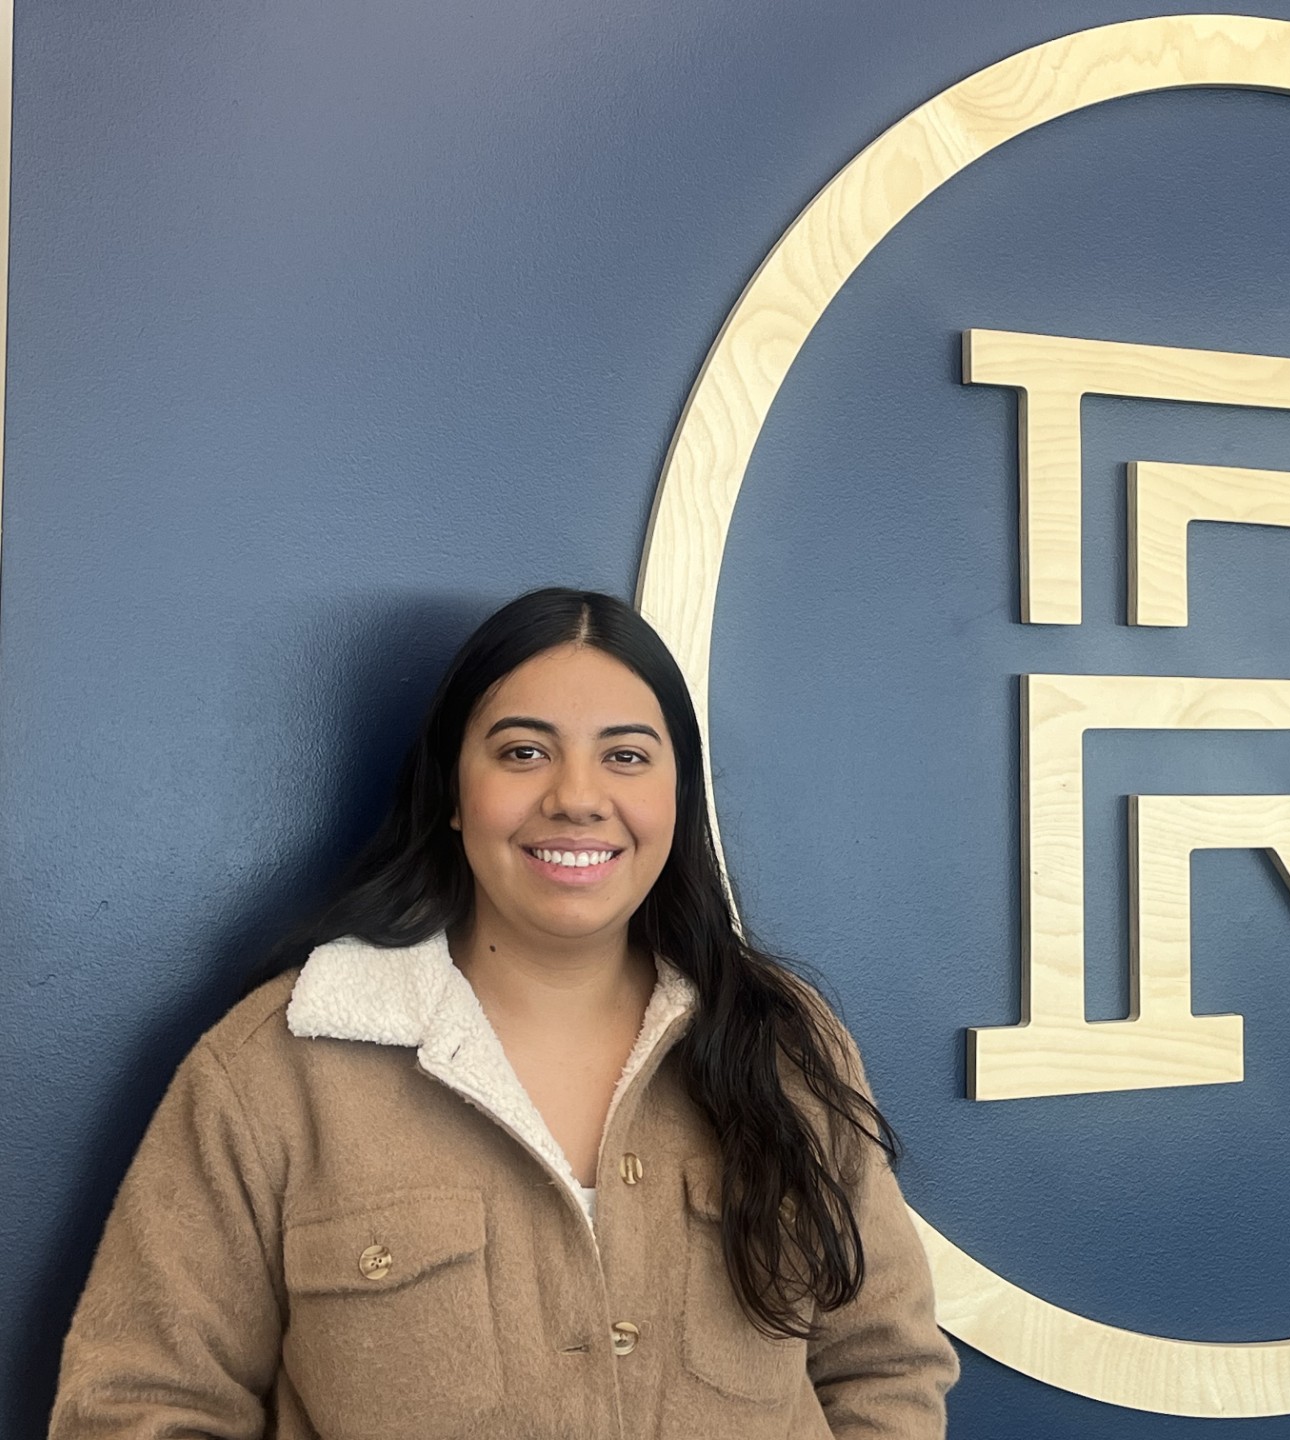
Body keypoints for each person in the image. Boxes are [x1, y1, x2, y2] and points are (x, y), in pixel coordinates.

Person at [50, 587, 958, 1439]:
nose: (575, 795)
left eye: (627, 755)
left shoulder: (785, 1046)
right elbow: (139, 1405)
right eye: (523, 751)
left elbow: (884, 1367)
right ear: (452, 793)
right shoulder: (275, 1072)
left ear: (678, 799)